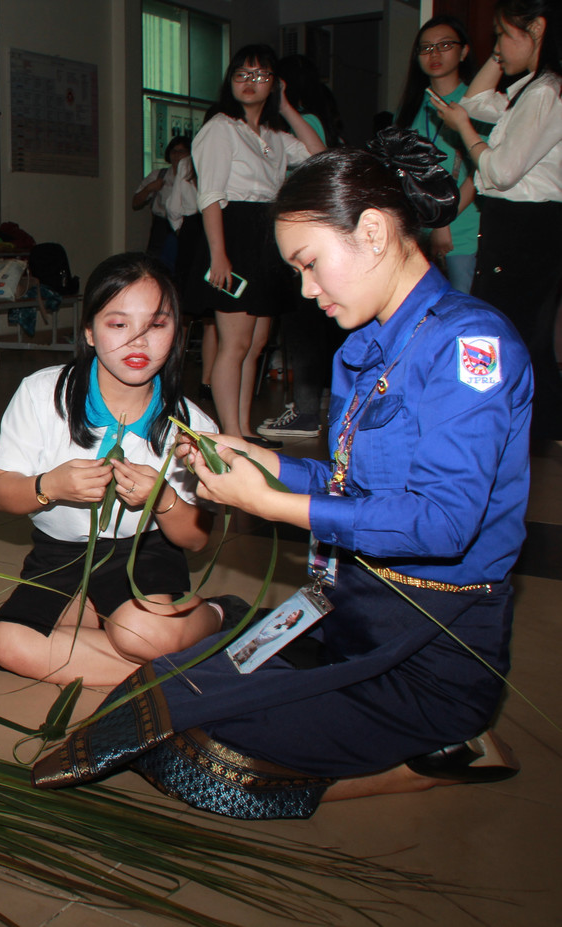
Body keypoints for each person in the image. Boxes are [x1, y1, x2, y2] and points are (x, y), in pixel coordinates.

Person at [31, 137, 530, 820]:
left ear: (376, 232)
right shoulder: (367, 345)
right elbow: (350, 478)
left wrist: (270, 504)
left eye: (311, 264)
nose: (306, 289)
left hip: (424, 648)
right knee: (165, 691)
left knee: (207, 755)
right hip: (351, 612)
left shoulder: (472, 347)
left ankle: (436, 751)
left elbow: (443, 523)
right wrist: (254, 454)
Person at [0, 253, 220, 687]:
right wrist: (49, 485)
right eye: (118, 324)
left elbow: (197, 538)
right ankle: (167, 666)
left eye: (156, 325)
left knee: (141, 631)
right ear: (90, 331)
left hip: (144, 552)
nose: (138, 342)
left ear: (177, 334)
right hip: (59, 553)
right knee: (6, 642)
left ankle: (221, 614)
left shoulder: (192, 427)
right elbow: (2, 494)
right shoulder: (41, 394)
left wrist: (162, 500)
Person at [429, 0, 562, 440]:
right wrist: (502, 55)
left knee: (515, 332)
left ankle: (528, 432)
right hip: (518, 222)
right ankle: (525, 430)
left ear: (538, 29)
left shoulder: (546, 91)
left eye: (504, 35)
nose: (497, 48)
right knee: (513, 330)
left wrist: (465, 130)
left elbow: (502, 172)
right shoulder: (530, 87)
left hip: (529, 224)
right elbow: (476, 99)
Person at [188, 45, 326, 449]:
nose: (250, 83)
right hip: (233, 234)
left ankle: (244, 428)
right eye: (242, 75)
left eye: (261, 75)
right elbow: (210, 195)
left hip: (268, 235)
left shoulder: (274, 136)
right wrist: (219, 254)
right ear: (229, 82)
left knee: (257, 343)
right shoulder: (220, 128)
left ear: (275, 83)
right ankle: (230, 433)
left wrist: (285, 107)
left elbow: (320, 157)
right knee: (235, 342)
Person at [259, 53, 348, 441]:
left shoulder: (300, 122)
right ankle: (311, 406)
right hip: (312, 232)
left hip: (305, 231)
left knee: (304, 325)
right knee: (311, 325)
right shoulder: (313, 118)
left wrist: (285, 108)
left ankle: (306, 411)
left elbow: (320, 158)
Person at [395, 15, 481, 294]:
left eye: (444, 45)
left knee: (460, 313)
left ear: (464, 51)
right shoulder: (411, 106)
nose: (434, 54)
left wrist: (444, 219)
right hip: (418, 231)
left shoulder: (476, 102)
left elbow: (482, 171)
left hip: (461, 229)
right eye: (426, 47)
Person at [132, 136, 193, 270]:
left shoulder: (194, 176)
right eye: (174, 151)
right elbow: (135, 202)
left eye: (181, 151)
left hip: (187, 226)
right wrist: (150, 188)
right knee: (156, 267)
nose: (177, 155)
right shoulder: (160, 174)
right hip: (162, 227)